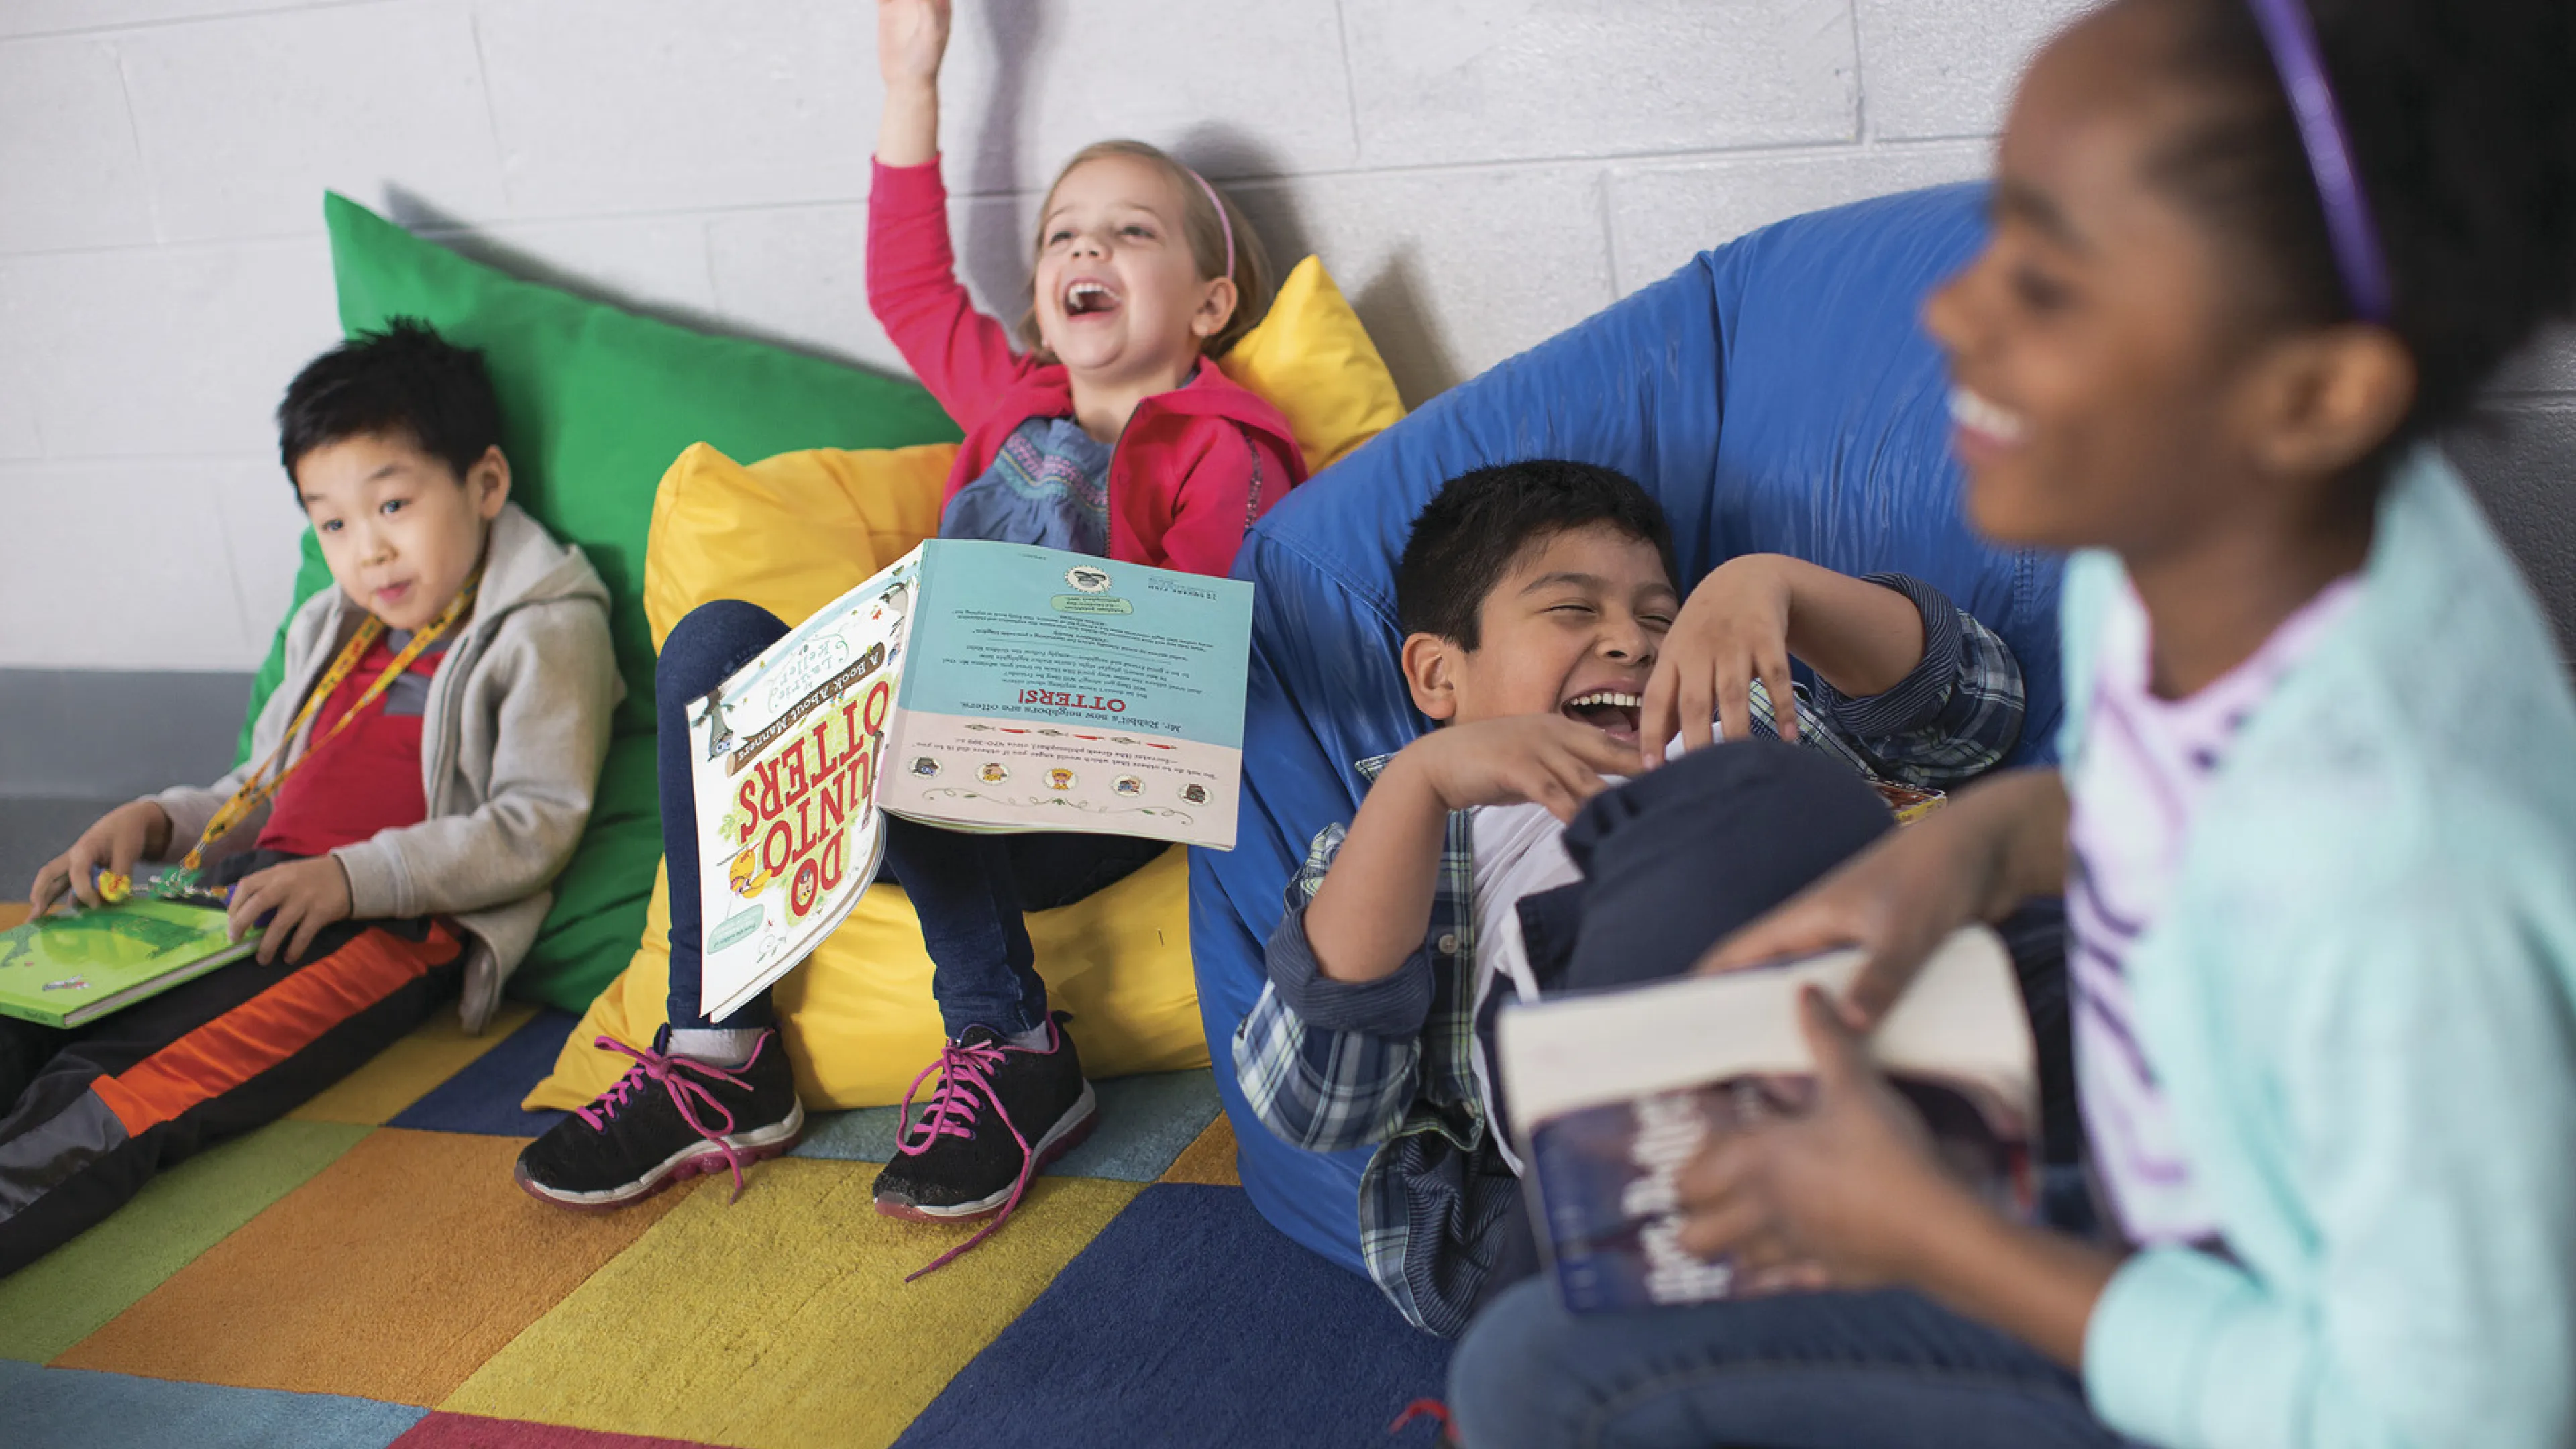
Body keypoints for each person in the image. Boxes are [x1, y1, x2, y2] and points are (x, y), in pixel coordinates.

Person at [1448, 0, 2576, 1443]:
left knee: (1542, 1375)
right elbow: (2184, 814)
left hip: (2295, 1354)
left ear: (2315, 395)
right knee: (1584, 1300)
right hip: (2192, 1174)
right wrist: (1975, 849)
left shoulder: (2407, 873)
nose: (1950, 313)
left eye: (2049, 285)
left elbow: (2444, 1418)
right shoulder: (2178, 541)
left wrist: (1937, 1236)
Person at [514, 0, 1305, 1269]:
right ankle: (720, 1051)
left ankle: (1015, 1043)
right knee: (714, 644)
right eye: (1063, 232)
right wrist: (912, 79)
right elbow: (907, 283)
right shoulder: (1012, 400)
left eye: (1132, 230)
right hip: (905, 778)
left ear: (1213, 301)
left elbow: (1207, 649)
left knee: (930, 674)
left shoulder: (1225, 446)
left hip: (1089, 793)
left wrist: (997, 656)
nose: (1085, 244)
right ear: (1043, 302)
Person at [1232, 460, 2026, 1336]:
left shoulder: (1739, 718)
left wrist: (1777, 587)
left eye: (1660, 618)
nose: (1633, 643)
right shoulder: (1404, 839)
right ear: (1437, 677)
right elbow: (1317, 1102)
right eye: (1573, 609)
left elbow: (1972, 721)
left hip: (1902, 1002)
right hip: (1630, 1090)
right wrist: (1417, 785)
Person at [1, 319, 619, 1275]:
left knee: (123, 1084)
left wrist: (348, 878)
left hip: (378, 928)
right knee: (29, 1013)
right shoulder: (332, 624)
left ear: (486, 484)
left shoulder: (546, 630)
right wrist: (158, 820)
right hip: (238, 891)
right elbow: (260, 787)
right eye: (333, 524)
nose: (368, 552)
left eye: (393, 505)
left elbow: (533, 825)